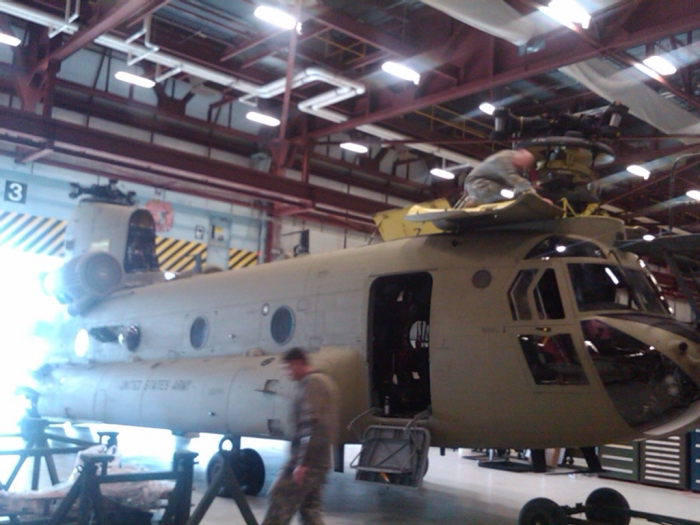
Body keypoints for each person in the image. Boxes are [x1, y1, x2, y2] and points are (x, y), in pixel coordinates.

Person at [261, 348, 340, 525]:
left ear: (297, 363)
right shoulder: (324, 381)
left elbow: (310, 424)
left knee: (278, 503)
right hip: (318, 463)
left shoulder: (312, 384)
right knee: (309, 512)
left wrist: (302, 463)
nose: (288, 374)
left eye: (289, 368)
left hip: (307, 464)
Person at [459, 148, 539, 207]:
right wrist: (537, 198)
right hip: (477, 183)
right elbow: (514, 179)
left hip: (490, 182)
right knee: (510, 193)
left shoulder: (515, 157)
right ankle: (475, 202)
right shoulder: (503, 160)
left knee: (512, 193)